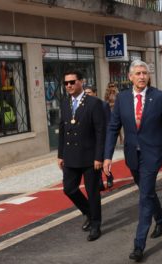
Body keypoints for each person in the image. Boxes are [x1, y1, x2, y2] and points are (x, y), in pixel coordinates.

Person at [103, 60, 162, 262]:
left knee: (145, 195)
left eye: (145, 73)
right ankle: (161, 220)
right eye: (138, 73)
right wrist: (107, 156)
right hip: (133, 155)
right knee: (146, 192)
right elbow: (113, 128)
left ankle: (139, 244)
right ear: (130, 77)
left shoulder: (158, 97)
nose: (142, 76)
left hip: (152, 154)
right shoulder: (122, 99)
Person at [58, 70, 105, 242]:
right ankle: (88, 212)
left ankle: (96, 224)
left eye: (72, 82)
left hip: (89, 156)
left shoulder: (93, 103)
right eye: (66, 83)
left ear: (81, 82)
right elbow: (62, 130)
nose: (69, 85)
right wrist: (60, 155)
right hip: (70, 155)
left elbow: (101, 132)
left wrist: (99, 156)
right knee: (68, 188)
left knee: (92, 192)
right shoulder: (64, 104)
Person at [85, 86, 114, 190]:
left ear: (95, 93)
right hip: (91, 139)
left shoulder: (103, 105)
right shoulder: (84, 106)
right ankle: (100, 182)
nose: (87, 94)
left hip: (103, 138)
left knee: (101, 159)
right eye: (85, 93)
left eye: (89, 92)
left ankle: (109, 177)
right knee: (95, 161)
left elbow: (109, 122)